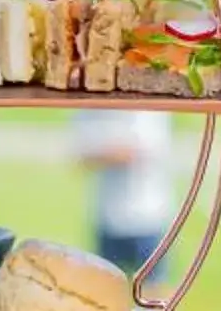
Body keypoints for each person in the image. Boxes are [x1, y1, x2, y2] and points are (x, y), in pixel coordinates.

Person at [73, 109, 175, 279]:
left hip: (148, 216)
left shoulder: (146, 108)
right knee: (104, 292)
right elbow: (81, 156)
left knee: (153, 293)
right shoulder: (90, 108)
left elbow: (140, 150)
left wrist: (103, 152)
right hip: (107, 217)